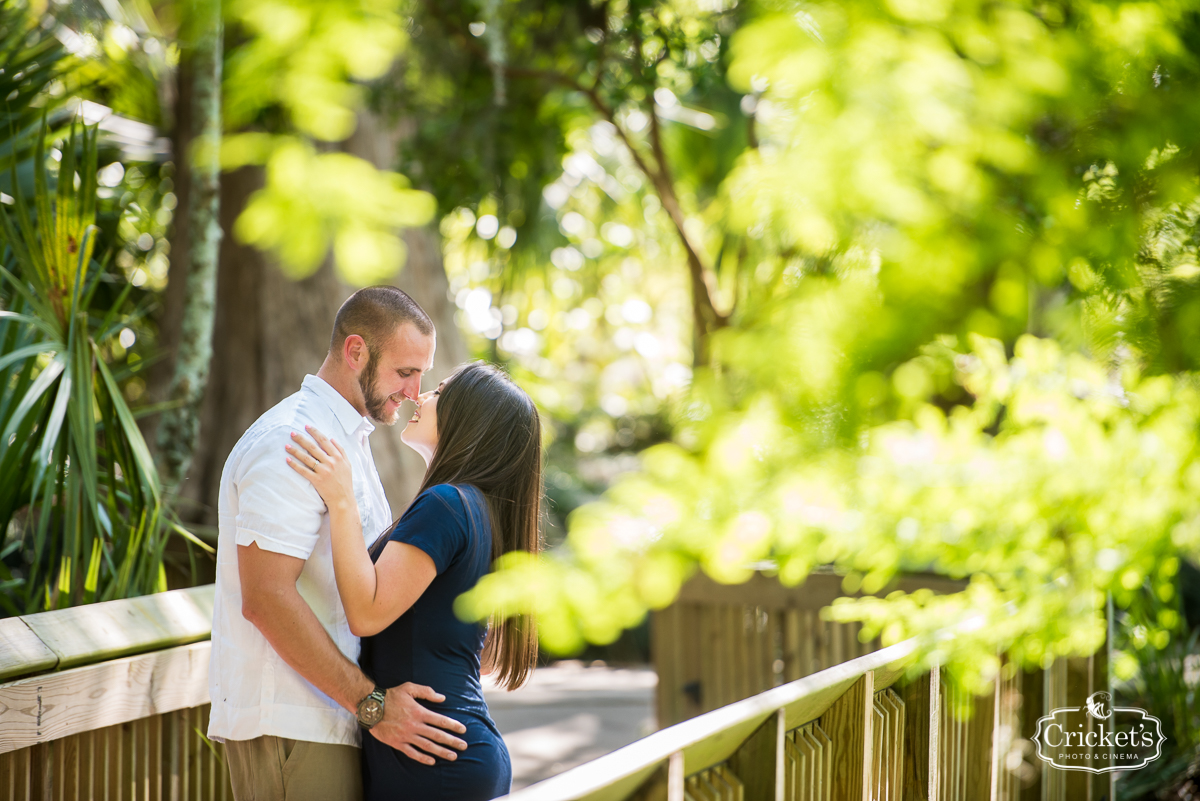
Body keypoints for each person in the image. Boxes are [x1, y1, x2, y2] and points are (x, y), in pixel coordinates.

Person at [207, 286, 469, 801]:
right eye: (404, 372)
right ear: (356, 352)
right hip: (291, 725)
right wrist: (372, 705)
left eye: (422, 374)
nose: (416, 391)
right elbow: (265, 598)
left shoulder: (347, 439)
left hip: (332, 718)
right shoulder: (293, 441)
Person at [284, 361, 542, 801]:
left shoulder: (445, 504)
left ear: (469, 418)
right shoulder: (481, 513)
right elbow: (486, 653)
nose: (419, 397)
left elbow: (366, 614)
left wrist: (341, 499)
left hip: (432, 757)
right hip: (453, 749)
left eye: (439, 391)